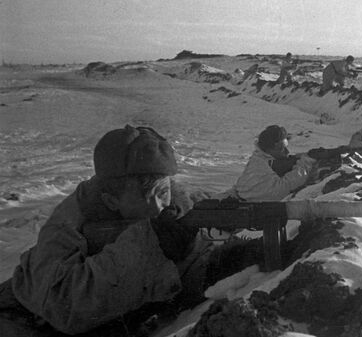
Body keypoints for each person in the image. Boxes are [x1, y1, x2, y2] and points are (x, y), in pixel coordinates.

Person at [0, 125, 216, 336]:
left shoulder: (176, 207)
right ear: (111, 201)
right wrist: (148, 247)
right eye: (146, 196)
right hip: (18, 319)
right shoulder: (64, 228)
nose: (159, 206)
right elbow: (64, 307)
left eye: (163, 192)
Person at [233, 125, 318, 201]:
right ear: (270, 150)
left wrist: (301, 157)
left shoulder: (262, 158)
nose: (287, 152)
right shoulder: (259, 165)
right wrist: (306, 161)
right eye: (282, 148)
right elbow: (283, 188)